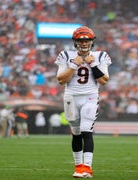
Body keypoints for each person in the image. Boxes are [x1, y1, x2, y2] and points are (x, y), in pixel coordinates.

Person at [55, 26, 112, 178]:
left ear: (92, 41)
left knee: (87, 130)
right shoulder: (66, 55)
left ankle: (87, 167)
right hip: (71, 97)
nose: (84, 43)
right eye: (81, 40)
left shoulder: (100, 56)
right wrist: (74, 64)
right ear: (75, 42)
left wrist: (92, 64)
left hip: (90, 97)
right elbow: (61, 80)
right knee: (76, 133)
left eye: (87, 40)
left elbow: (103, 80)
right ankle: (78, 166)